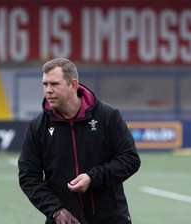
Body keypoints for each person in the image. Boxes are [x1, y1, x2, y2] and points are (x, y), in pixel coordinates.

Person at [18, 58, 141, 224]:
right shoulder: (38, 126)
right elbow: (28, 176)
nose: (48, 90)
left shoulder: (107, 116)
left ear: (73, 85)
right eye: (45, 84)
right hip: (64, 220)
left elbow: (130, 160)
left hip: (111, 218)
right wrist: (55, 210)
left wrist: (92, 178)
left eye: (54, 84)